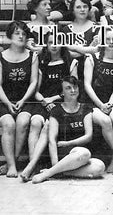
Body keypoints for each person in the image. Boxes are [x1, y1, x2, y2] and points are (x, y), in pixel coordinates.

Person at [19, 32, 78, 181]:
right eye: (51, 42)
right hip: (44, 103)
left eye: (57, 42)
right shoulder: (43, 63)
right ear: (46, 45)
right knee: (35, 122)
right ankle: (33, 163)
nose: (54, 45)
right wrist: (44, 100)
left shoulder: (70, 62)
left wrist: (53, 99)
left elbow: (73, 90)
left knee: (48, 125)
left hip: (63, 103)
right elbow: (37, 90)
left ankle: (32, 166)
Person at [30, 76, 106, 183]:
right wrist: (54, 162)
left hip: (78, 156)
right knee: (84, 153)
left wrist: (68, 143)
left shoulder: (85, 109)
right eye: (68, 88)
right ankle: (51, 172)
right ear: (62, 92)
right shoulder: (56, 110)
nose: (73, 90)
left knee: (99, 167)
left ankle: (57, 173)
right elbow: (52, 140)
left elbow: (88, 137)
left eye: (75, 87)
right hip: (63, 153)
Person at [84, 27, 113, 174]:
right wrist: (100, 104)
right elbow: (87, 85)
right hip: (93, 102)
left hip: (112, 101)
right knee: (105, 121)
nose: (111, 42)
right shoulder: (92, 58)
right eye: (108, 39)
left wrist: (110, 103)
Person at [0, 21, 39, 177]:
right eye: (17, 33)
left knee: (22, 122)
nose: (21, 36)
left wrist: (23, 100)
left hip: (26, 99)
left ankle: (13, 162)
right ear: (10, 36)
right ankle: (11, 166)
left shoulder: (32, 56)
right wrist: (8, 103)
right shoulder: (1, 56)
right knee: (8, 124)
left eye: (23, 33)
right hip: (5, 100)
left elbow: (34, 82)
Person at [62, 0, 99, 85]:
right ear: (73, 10)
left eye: (85, 6)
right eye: (78, 7)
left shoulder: (96, 28)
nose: (82, 10)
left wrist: (73, 48)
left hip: (92, 71)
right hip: (70, 70)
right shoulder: (66, 29)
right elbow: (65, 53)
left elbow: (96, 50)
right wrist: (87, 49)